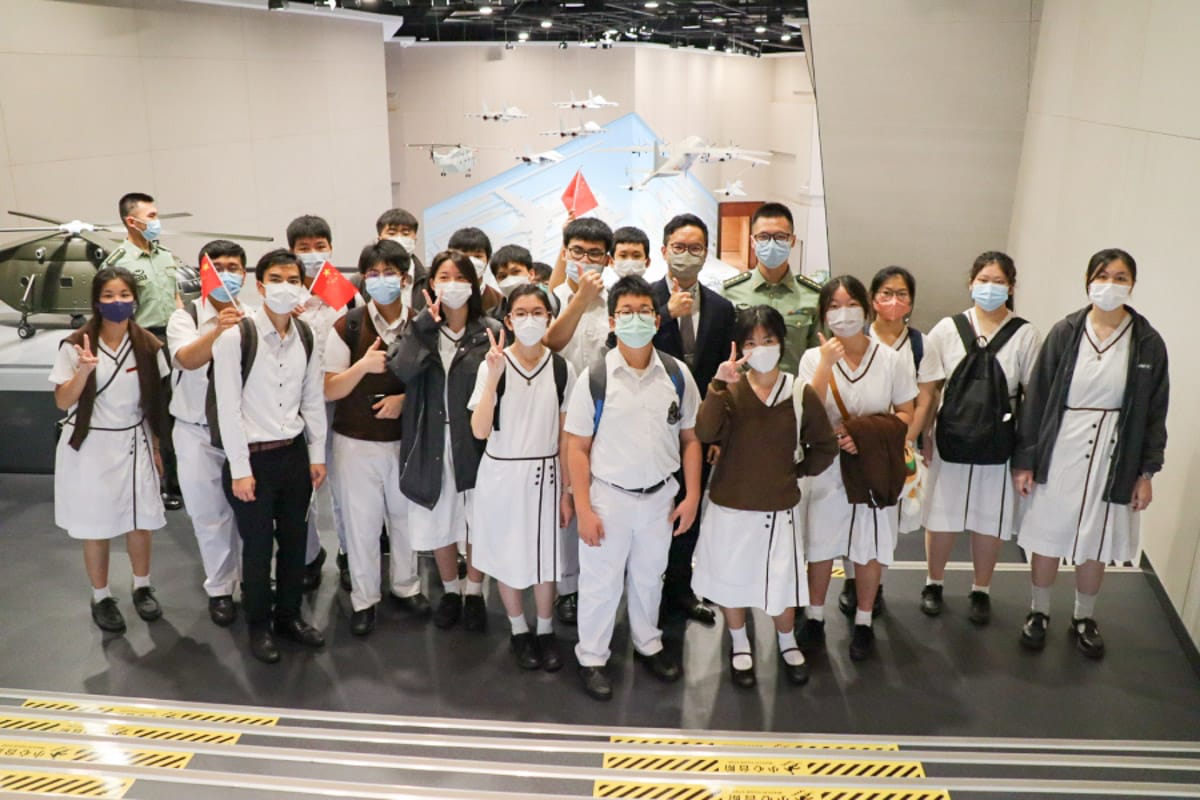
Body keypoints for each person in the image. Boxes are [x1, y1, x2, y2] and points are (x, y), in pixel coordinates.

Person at [1013, 249, 1168, 658]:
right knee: (1047, 533)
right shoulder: (1066, 331)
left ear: (1132, 285)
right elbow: (1037, 397)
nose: (1110, 285)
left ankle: (1084, 617)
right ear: (1088, 281)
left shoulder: (1147, 342)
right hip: (1061, 444)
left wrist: (1146, 473)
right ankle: (1039, 611)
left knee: (1097, 539)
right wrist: (1026, 460)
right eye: (1103, 275)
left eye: (1120, 277)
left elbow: (1155, 412)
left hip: (1115, 452)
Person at [564, 275, 703, 701]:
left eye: (644, 311)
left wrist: (692, 495)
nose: (636, 319)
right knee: (600, 583)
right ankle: (592, 657)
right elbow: (577, 447)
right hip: (609, 499)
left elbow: (691, 438)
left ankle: (648, 643)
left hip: (660, 497)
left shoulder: (676, 375)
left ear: (658, 320)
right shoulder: (595, 378)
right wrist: (584, 508)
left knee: (649, 577)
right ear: (612, 321)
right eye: (626, 312)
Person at [693, 306, 839, 687]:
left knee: (782, 584)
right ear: (740, 348)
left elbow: (825, 445)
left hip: (779, 508)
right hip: (730, 505)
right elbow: (705, 432)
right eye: (751, 342)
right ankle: (740, 643)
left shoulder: (799, 392)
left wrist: (796, 471)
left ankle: (787, 641)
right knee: (731, 580)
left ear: (781, 342)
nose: (760, 349)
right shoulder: (730, 390)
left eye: (768, 340)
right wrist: (717, 385)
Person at [213, 250, 327, 664]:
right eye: (276, 279)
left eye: (293, 280)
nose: (285, 287)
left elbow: (312, 398)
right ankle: (259, 625)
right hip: (253, 460)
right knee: (258, 548)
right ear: (259, 286)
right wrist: (240, 469)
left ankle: (289, 616)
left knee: (295, 542)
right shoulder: (236, 337)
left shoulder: (306, 335)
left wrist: (316, 453)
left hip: (293, 455)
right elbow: (228, 409)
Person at [797, 275, 917, 662]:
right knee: (820, 545)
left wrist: (864, 435)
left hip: (872, 466)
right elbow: (807, 411)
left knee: (869, 546)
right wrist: (826, 363)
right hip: (826, 468)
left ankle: (864, 620)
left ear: (866, 310)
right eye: (834, 306)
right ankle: (814, 616)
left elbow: (906, 413)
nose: (843, 314)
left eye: (851, 305)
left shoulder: (891, 359)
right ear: (823, 314)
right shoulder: (813, 358)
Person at [918, 252, 1041, 625]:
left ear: (1011, 287)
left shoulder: (1025, 334)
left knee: (990, 519)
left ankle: (981, 589)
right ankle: (933, 582)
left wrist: (1026, 453)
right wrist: (924, 435)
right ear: (971, 283)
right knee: (941, 515)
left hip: (999, 440)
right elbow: (930, 388)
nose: (990, 288)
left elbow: (1033, 396)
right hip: (950, 436)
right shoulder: (947, 329)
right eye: (984, 280)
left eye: (999, 282)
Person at [387, 251, 502, 632]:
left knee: (478, 519)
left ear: (474, 284)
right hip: (431, 438)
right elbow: (402, 370)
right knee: (439, 518)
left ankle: (475, 592)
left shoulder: (490, 330)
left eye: (460, 277)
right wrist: (422, 326)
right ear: (431, 284)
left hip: (477, 441)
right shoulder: (420, 329)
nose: (452, 285)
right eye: (444, 277)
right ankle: (451, 591)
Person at [51, 267, 170, 633]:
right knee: (96, 525)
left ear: (135, 299)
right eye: (108, 296)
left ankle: (142, 586)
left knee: (140, 521)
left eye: (123, 295)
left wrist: (157, 446)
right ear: (96, 302)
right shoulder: (75, 344)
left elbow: (155, 402)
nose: (117, 302)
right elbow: (62, 401)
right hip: (91, 445)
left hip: (134, 441)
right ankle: (101, 595)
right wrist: (84, 371)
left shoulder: (149, 346)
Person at [469, 284, 577, 671]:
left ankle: (545, 630)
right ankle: (518, 630)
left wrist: (567, 491)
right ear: (509, 320)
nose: (529, 320)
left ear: (549, 318)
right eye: (521, 313)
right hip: (501, 472)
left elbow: (567, 436)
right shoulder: (491, 364)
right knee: (508, 555)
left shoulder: (562, 368)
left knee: (546, 559)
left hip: (547, 473)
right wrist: (494, 378)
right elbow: (479, 430)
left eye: (537, 312)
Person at [324, 240, 428, 636]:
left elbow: (433, 383)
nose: (381, 280)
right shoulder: (347, 326)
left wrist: (405, 400)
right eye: (373, 274)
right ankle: (364, 599)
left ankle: (406, 586)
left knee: (405, 519)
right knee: (361, 524)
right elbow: (329, 388)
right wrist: (363, 367)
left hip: (405, 441)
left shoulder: (421, 324)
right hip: (355, 442)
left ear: (405, 279)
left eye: (389, 273)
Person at [651, 213, 737, 626]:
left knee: (690, 507)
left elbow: (726, 377)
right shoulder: (644, 300)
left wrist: (718, 435)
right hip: (649, 427)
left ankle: (680, 589)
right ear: (664, 249)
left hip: (699, 429)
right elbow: (620, 347)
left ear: (707, 254)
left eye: (696, 248)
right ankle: (645, 587)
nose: (687, 255)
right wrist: (664, 314)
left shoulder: (721, 308)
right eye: (679, 247)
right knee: (650, 510)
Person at [836, 266, 929, 617]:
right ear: (871, 300)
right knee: (848, 516)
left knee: (884, 523)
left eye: (902, 294)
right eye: (886, 293)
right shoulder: (853, 338)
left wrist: (903, 440)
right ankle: (851, 580)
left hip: (895, 443)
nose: (893, 300)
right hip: (850, 444)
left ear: (912, 301)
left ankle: (875, 587)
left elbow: (924, 399)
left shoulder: (919, 343)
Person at [167, 240, 250, 627]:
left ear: (244, 274)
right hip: (196, 431)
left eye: (233, 267)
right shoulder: (184, 317)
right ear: (203, 274)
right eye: (217, 267)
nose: (225, 274)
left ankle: (253, 581)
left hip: (244, 432)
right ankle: (220, 589)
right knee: (209, 516)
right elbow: (186, 358)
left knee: (251, 514)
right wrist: (218, 329)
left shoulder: (254, 316)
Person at [543, 217, 613, 625]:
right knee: (565, 503)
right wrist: (580, 299)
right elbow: (549, 344)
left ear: (607, 259)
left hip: (605, 421)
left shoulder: (616, 302)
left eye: (594, 254)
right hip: (557, 420)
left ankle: (600, 583)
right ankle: (568, 588)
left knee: (599, 501)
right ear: (565, 253)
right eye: (577, 252)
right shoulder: (548, 298)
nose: (585, 259)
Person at [287, 214, 358, 593]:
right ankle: (309, 555)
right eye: (304, 248)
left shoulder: (347, 293)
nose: (313, 254)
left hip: (341, 402)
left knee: (344, 486)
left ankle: (349, 553)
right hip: (295, 406)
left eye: (320, 246)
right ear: (292, 252)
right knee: (303, 487)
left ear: (330, 248)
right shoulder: (284, 292)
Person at [105, 192, 184, 510]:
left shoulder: (165, 256)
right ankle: (165, 484)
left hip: (173, 337)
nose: (156, 221)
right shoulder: (118, 263)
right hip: (143, 340)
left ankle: (181, 478)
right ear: (131, 221)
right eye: (150, 216)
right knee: (156, 414)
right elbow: (113, 313)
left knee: (180, 409)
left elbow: (176, 298)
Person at [722, 202, 822, 376]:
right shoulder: (730, 292)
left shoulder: (813, 296)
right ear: (752, 241)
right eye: (763, 237)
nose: (772, 243)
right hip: (744, 389)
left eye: (780, 237)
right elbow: (723, 350)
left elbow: (818, 357)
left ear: (792, 241)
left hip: (795, 389)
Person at [376, 207, 426, 303]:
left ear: (415, 239)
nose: (399, 238)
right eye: (392, 233)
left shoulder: (429, 279)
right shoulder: (361, 281)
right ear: (380, 239)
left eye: (405, 233)